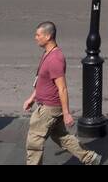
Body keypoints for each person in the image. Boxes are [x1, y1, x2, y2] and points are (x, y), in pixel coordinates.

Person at [23, 21, 102, 166]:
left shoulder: (55, 59)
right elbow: (42, 80)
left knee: (34, 142)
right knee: (62, 137)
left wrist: (66, 113)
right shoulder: (48, 53)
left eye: (38, 35)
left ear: (48, 36)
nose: (35, 37)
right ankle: (91, 158)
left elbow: (62, 88)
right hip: (48, 106)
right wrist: (32, 98)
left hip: (48, 109)